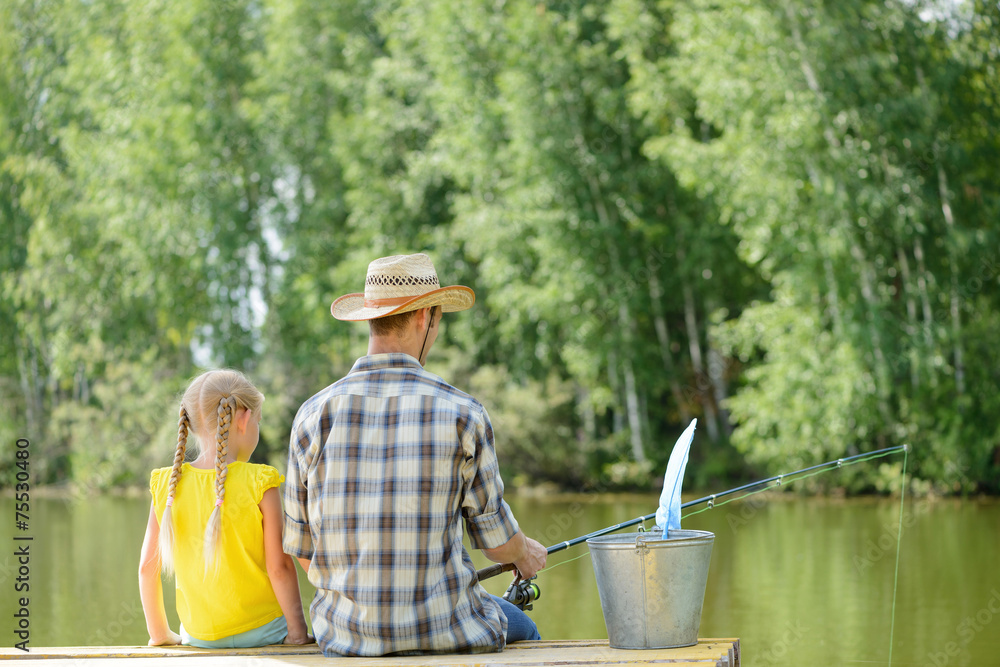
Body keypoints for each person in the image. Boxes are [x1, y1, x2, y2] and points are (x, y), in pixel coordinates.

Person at [283, 253, 547, 657]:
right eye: (438, 319)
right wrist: (525, 553)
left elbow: (303, 548)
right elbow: (497, 546)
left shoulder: (312, 415)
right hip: (448, 633)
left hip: (347, 640)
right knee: (524, 628)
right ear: (424, 317)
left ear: (371, 319)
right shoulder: (464, 413)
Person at [138, 369, 313, 648]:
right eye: (258, 420)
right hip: (265, 631)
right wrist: (298, 633)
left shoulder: (167, 485)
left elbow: (148, 569)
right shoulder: (261, 482)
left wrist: (161, 634)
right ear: (243, 419)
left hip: (199, 637)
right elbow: (279, 567)